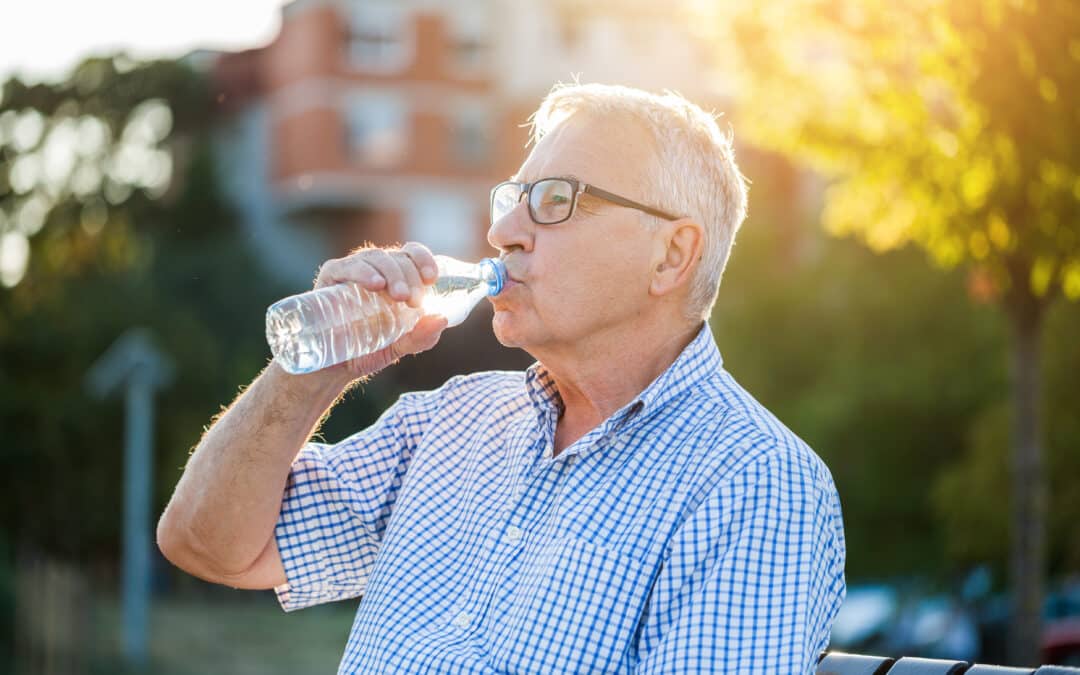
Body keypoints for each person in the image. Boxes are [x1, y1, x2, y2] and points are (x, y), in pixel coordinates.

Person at [157, 82, 846, 674]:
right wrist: (314, 368)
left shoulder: (757, 481)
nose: (504, 232)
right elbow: (205, 543)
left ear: (671, 254)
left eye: (553, 200)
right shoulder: (452, 420)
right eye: (511, 199)